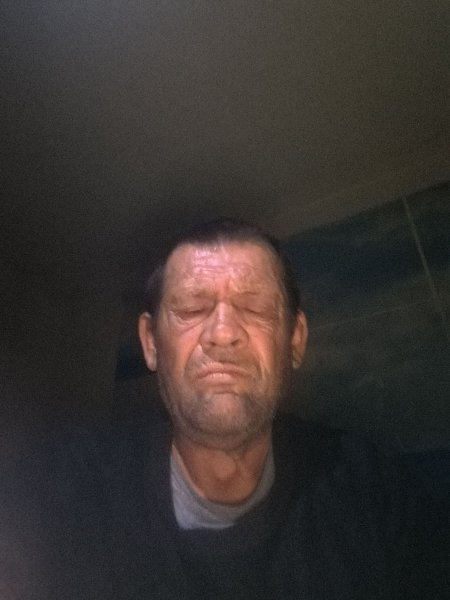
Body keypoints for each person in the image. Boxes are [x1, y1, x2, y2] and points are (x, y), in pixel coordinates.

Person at [95, 219, 448, 599]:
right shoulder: (73, 496)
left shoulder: (376, 493)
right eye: (193, 308)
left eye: (255, 307)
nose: (223, 333)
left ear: (295, 340)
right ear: (150, 343)